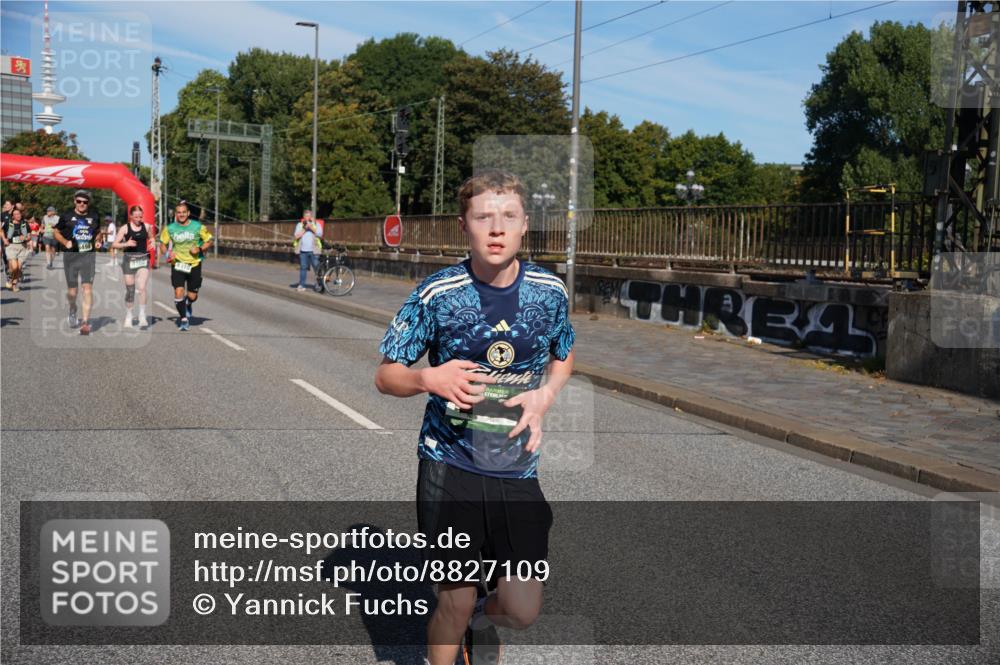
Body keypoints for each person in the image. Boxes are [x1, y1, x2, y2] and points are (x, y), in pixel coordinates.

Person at [375, 170, 576, 665]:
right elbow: (385, 374)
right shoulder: (437, 294)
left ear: (525, 225)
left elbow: (564, 353)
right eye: (483, 217)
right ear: (463, 225)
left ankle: (483, 618)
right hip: (450, 465)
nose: (496, 228)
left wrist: (546, 395)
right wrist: (429, 379)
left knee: (522, 607)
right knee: (454, 599)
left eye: (508, 216)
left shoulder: (550, 292)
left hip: (515, 467)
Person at [52, 189, 102, 335]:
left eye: (85, 202)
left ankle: (85, 322)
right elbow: (56, 232)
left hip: (88, 257)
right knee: (72, 292)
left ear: (88, 203)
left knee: (87, 288)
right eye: (79, 201)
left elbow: (98, 231)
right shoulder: (67, 216)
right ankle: (73, 308)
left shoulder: (94, 216)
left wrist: (98, 240)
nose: (82, 204)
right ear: (75, 201)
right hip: (71, 257)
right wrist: (65, 242)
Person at [158, 201, 212, 331]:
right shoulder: (170, 228)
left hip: (194, 264)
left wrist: (199, 249)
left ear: (188, 213)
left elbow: (208, 241)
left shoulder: (197, 226)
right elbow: (162, 244)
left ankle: (187, 304)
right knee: (178, 291)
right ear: (176, 214)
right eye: (179, 213)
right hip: (178, 264)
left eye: (183, 212)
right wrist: (167, 254)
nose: (181, 215)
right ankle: (183, 319)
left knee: (193, 296)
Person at [111, 205, 152, 329]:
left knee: (142, 288)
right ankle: (129, 316)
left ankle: (142, 315)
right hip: (129, 260)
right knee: (130, 290)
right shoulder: (125, 228)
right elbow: (114, 244)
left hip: (143, 259)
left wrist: (153, 242)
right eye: (136, 216)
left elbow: (151, 237)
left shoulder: (147, 226)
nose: (139, 218)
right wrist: (126, 243)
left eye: (141, 216)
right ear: (131, 216)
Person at [1, 206, 32, 292]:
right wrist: (4, 239)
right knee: (14, 267)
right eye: (15, 214)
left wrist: (26, 238)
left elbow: (29, 235)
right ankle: (10, 279)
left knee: (18, 268)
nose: (18, 215)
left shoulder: (24, 224)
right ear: (13, 216)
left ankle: (14, 284)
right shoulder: (8, 223)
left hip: (22, 247)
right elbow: (1, 230)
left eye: (19, 214)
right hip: (11, 246)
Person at [293, 209, 323, 291]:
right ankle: (302, 285)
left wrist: (311, 227)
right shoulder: (299, 225)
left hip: (314, 251)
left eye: (309, 216)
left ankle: (320, 284)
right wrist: (305, 229)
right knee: (303, 268)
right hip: (303, 251)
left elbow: (320, 234)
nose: (308, 217)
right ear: (304, 217)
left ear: (311, 217)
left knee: (317, 268)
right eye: (306, 216)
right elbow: (296, 236)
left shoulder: (316, 224)